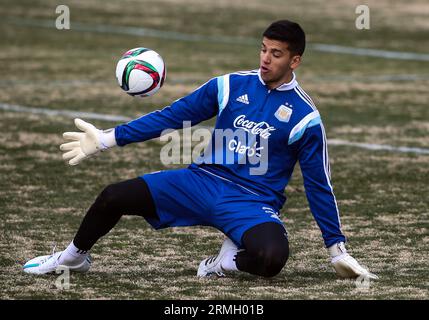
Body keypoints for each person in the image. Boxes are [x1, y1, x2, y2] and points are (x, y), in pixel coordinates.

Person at [23, 20, 378, 280]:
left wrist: (336, 249)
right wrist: (106, 139)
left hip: (251, 202)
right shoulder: (229, 85)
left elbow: (319, 185)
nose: (265, 59)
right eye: (263, 49)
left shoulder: (305, 117)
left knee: (271, 259)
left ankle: (223, 263)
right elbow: (173, 116)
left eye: (277, 53)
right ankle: (72, 258)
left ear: (295, 61)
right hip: (201, 181)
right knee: (113, 196)